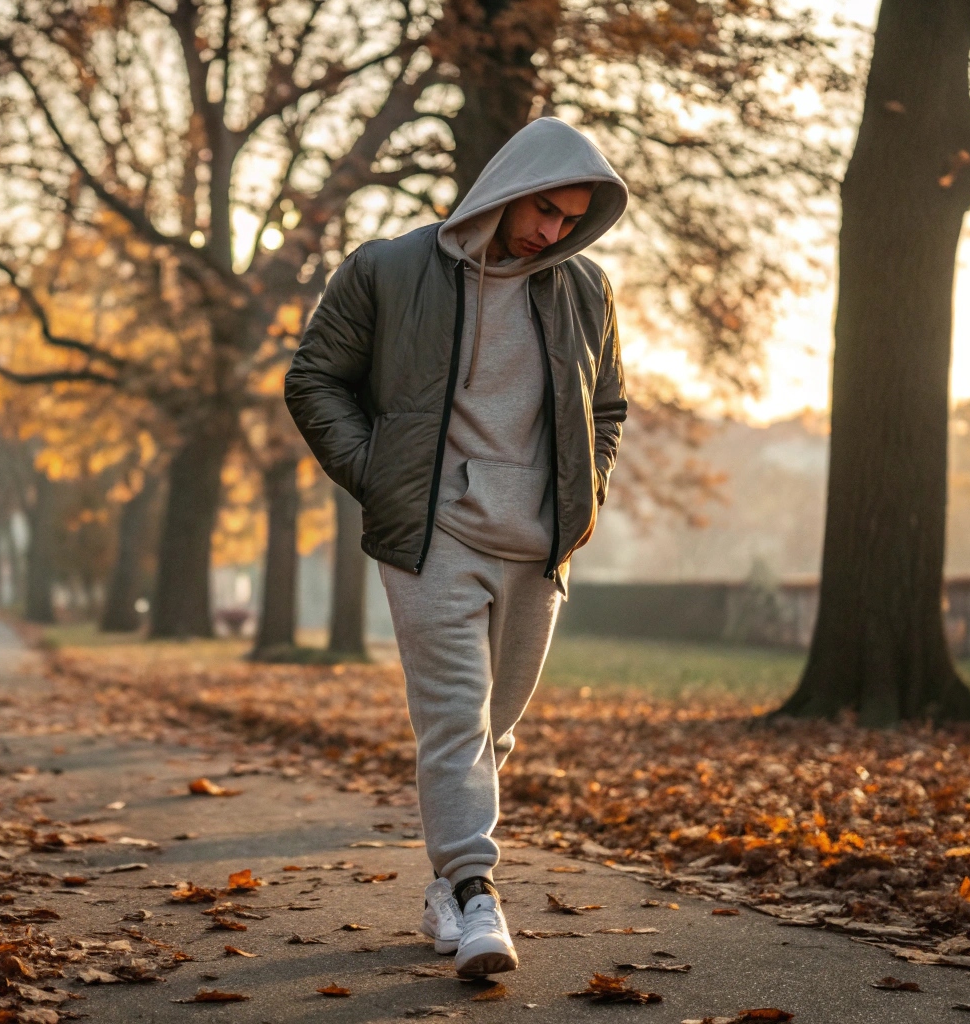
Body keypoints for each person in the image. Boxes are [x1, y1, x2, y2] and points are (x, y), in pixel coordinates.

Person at [284, 118, 628, 977]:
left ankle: (443, 885)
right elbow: (313, 376)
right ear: (508, 185)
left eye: (570, 219)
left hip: (536, 543)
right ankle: (477, 893)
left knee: (493, 729)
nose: (552, 231)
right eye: (544, 209)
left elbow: (608, 410)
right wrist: (383, 477)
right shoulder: (388, 269)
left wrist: (581, 504)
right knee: (454, 718)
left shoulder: (586, 290)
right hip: (431, 538)